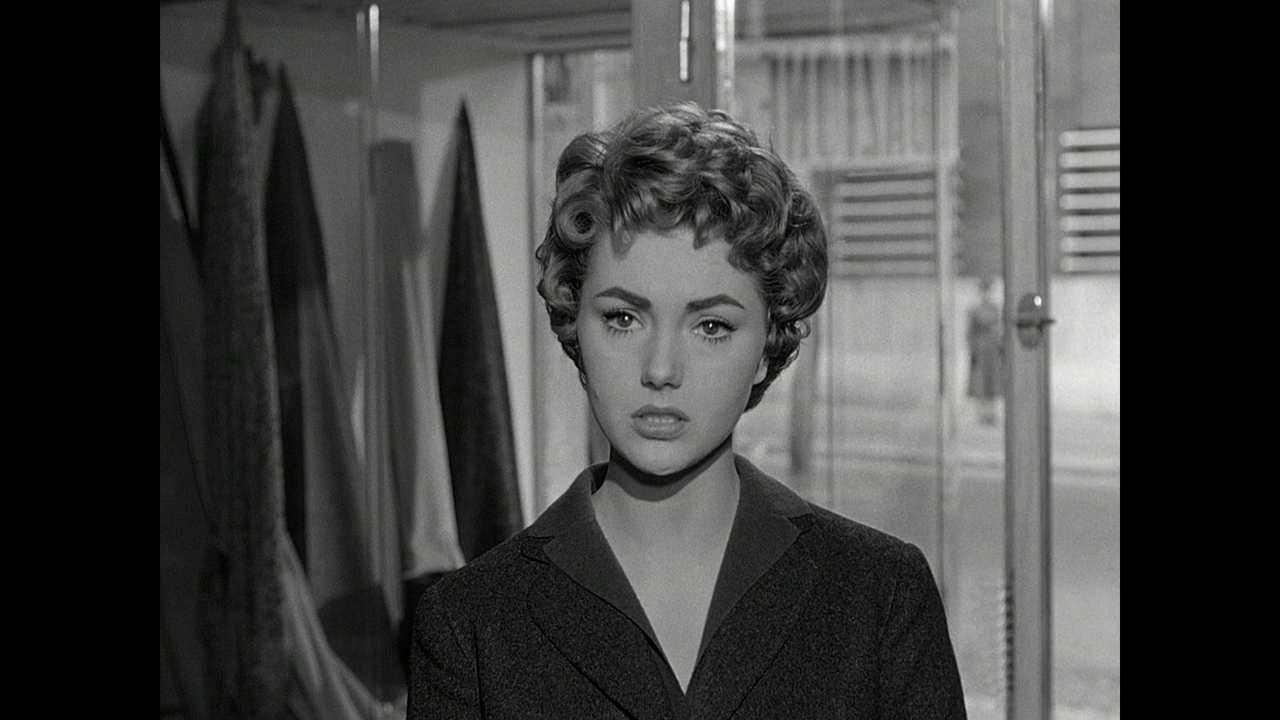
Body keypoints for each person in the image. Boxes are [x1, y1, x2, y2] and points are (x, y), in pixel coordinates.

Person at [408, 101, 966, 719]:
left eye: (711, 326)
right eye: (623, 318)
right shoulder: (470, 626)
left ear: (767, 347)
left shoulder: (880, 598)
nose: (661, 369)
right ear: (574, 324)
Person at [966, 276, 1004, 426]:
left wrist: (1001, 346)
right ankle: (981, 413)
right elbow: (970, 332)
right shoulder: (974, 310)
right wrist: (972, 348)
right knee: (980, 381)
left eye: (988, 290)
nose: (986, 293)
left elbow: (999, 328)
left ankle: (992, 413)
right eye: (984, 290)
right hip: (981, 347)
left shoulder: (995, 309)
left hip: (992, 348)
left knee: (993, 380)